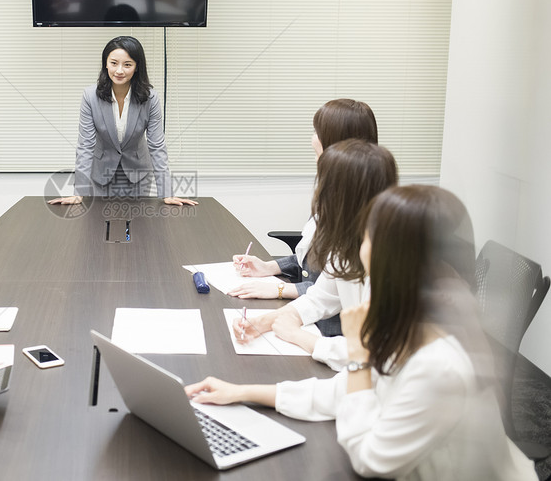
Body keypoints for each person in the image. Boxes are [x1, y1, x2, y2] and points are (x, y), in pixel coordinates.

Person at [185, 185, 537, 480]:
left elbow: (370, 459)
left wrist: (357, 356)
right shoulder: (413, 320)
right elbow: (340, 394)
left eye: (368, 237)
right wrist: (240, 391)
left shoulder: (439, 364)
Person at [235, 139, 397, 370]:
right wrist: (264, 322)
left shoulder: (389, 262)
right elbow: (320, 297)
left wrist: (299, 336)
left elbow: (370, 354)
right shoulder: (348, 244)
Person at [232, 98, 378, 302]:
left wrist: (281, 290)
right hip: (309, 309)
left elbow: (337, 290)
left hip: (329, 327)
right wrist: (269, 267)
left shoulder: (359, 208)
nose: (312, 139)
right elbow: (312, 259)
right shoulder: (332, 190)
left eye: (318, 133)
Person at [48, 36, 196, 206]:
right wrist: (79, 192)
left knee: (137, 226)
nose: (119, 70)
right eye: (114, 63)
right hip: (101, 173)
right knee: (100, 225)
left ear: (136, 67)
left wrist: (166, 194)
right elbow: (85, 146)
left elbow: (157, 146)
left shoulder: (150, 98)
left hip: (138, 174)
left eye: (127, 64)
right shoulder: (90, 96)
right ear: (106, 63)